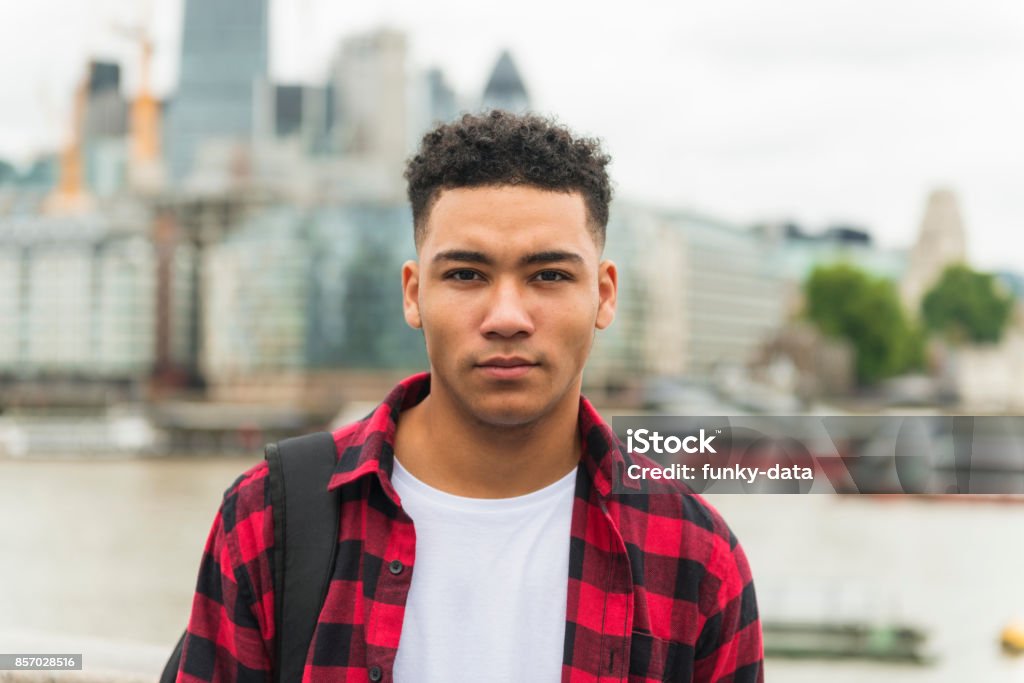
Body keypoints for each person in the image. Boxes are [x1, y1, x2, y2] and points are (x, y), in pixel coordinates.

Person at [175, 110, 763, 682]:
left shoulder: (697, 559)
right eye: (466, 275)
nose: (506, 317)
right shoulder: (268, 521)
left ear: (604, 296)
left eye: (550, 276)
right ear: (413, 294)